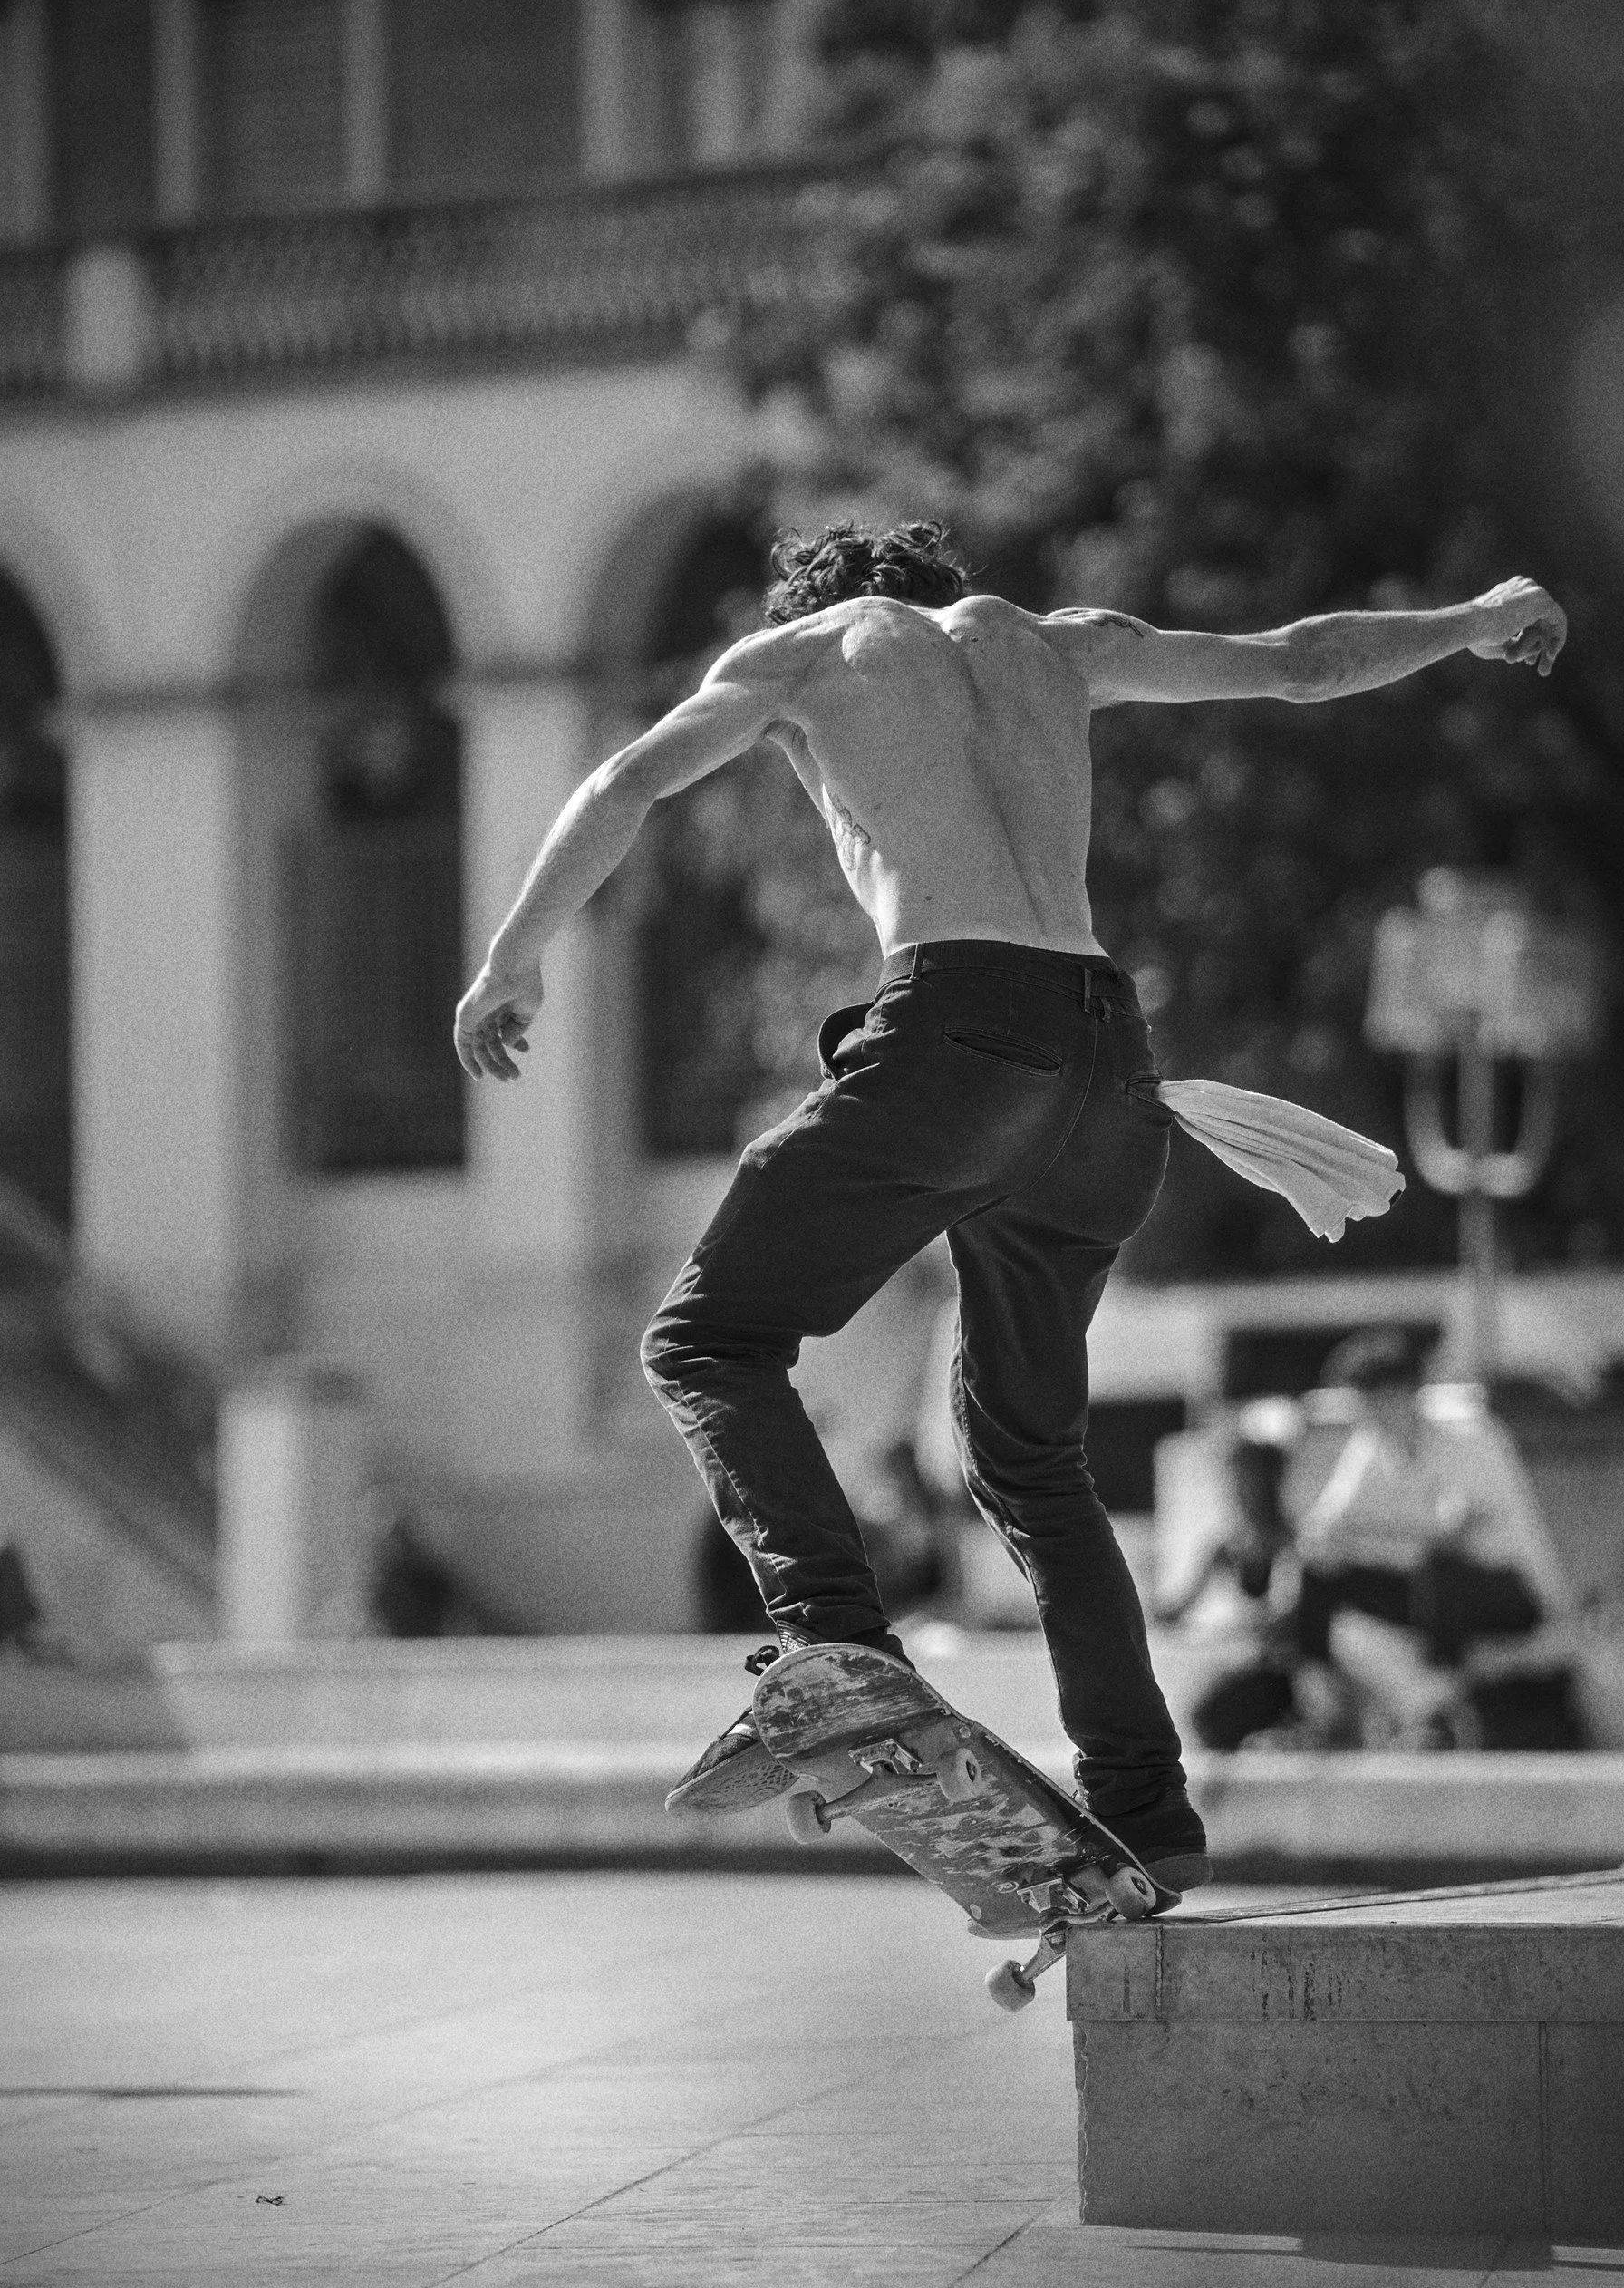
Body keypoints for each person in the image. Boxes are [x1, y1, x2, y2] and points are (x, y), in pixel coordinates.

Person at [454, 518, 1566, 1888]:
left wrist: (510, 956)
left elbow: (628, 778)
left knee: (706, 1341)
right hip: (1112, 1075)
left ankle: (836, 1646)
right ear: (944, 593)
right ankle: (1147, 1812)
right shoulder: (1060, 644)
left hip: (960, 1041)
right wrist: (1474, 614)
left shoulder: (805, 652)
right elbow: (1303, 664)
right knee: (1034, 1468)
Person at [1195, 1327, 1575, 1750]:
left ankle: (1416, 1706)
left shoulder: (1470, 1437)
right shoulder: (1371, 1450)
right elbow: (1322, 1534)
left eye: (1384, 1398)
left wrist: (1371, 1539)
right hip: (1430, 1590)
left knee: (1432, 1571)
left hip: (1504, 1590)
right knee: (1321, 1591)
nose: (1374, 1414)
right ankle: (1400, 1709)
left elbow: (1456, 1531)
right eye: (1366, 1402)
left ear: (1413, 1393)